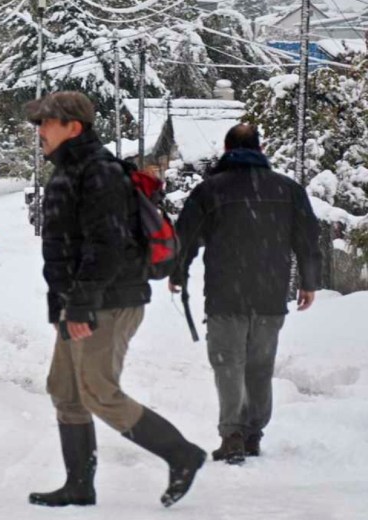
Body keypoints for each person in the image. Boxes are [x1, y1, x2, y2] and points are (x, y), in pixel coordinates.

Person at [25, 91, 205, 509]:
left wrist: (81, 304)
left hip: (108, 299)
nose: (39, 132)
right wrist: (62, 305)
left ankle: (181, 454)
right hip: (81, 299)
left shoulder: (98, 173)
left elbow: (106, 245)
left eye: (46, 123)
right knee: (66, 389)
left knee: (98, 391)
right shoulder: (70, 171)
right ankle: (79, 485)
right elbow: (64, 248)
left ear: (73, 127)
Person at [169, 124, 321, 465]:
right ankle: (253, 433)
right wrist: (309, 282)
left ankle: (232, 435)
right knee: (260, 367)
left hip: (225, 295)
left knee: (228, 366)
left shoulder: (210, 190)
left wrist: (177, 272)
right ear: (260, 149)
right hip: (270, 294)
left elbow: (186, 236)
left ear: (226, 149)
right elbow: (308, 238)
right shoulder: (288, 189)